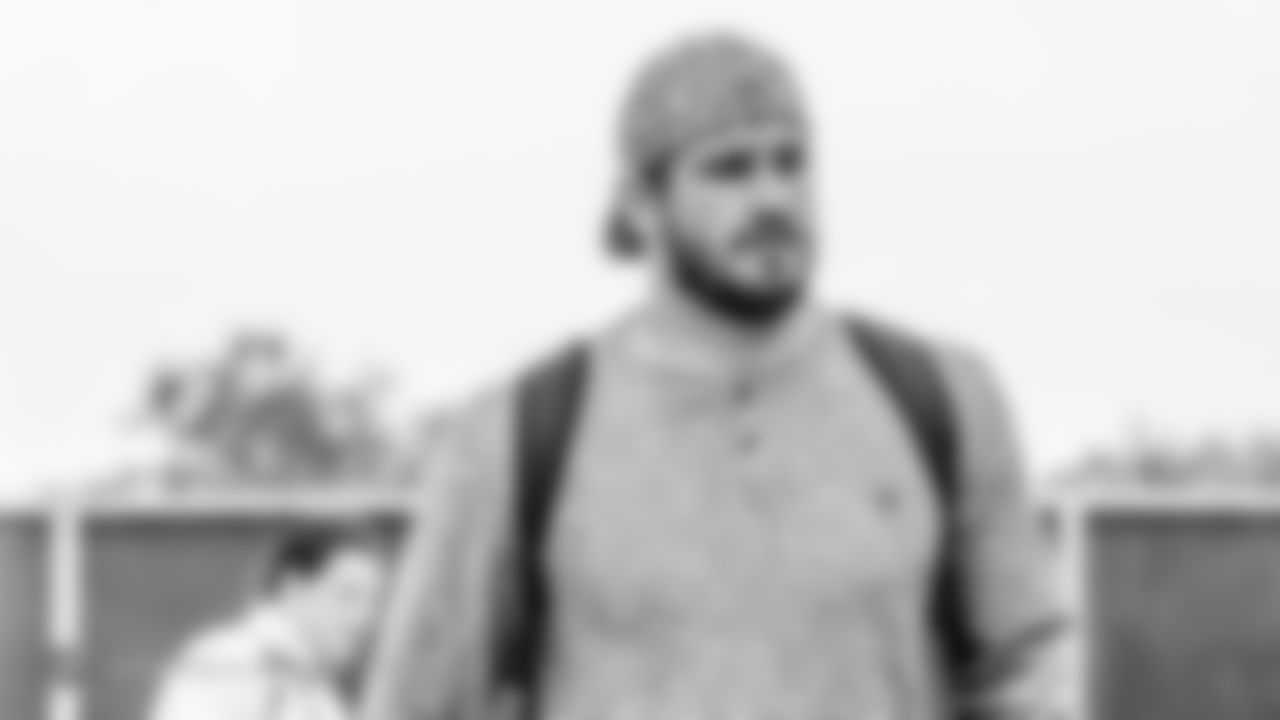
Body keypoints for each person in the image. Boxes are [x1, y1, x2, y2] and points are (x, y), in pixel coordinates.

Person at [361, 30, 1072, 720]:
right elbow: (419, 701)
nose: (773, 198)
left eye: (791, 162)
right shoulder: (520, 431)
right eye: (729, 169)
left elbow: (1024, 680)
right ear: (641, 205)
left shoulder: (939, 396)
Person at [149, 521, 395, 720]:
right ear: (295, 588)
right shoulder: (229, 661)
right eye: (348, 596)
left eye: (372, 602)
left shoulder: (315, 689)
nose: (365, 618)